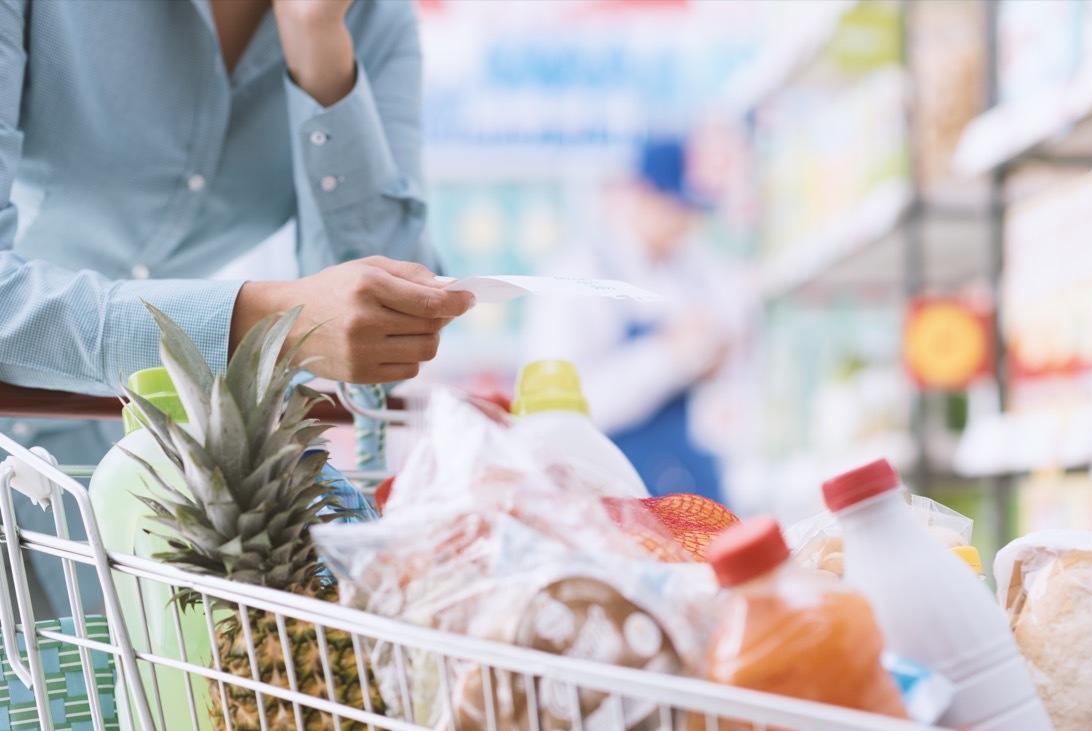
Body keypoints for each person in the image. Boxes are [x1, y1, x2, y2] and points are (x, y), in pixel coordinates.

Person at [0, 0, 471, 616]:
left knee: (116, 707)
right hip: (77, 438)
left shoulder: (374, 19)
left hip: (124, 480)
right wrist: (261, 321)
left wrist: (318, 40)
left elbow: (389, 307)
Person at [522, 137, 749, 503]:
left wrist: (714, 358)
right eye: (675, 208)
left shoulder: (698, 271)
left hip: (695, 487)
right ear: (640, 195)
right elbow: (565, 415)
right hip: (613, 497)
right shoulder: (577, 277)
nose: (684, 225)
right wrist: (668, 357)